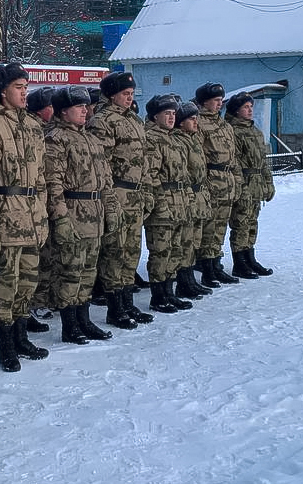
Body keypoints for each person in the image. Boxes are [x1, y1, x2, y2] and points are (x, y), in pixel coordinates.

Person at [0, 62, 50, 372]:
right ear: (2, 92)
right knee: (7, 284)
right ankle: (6, 345)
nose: (25, 92)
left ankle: (20, 336)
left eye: (26, 87)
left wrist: (41, 215)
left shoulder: (32, 126)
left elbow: (40, 178)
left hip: (31, 218)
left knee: (28, 282)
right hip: (6, 218)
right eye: (19, 87)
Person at [43, 86, 117, 344]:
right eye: (79, 107)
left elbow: (105, 180)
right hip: (73, 211)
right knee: (70, 272)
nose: (86, 111)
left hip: (94, 213)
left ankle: (84, 320)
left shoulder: (91, 139)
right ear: (64, 111)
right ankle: (70, 325)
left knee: (88, 271)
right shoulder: (56, 139)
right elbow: (52, 183)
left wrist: (111, 208)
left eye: (86, 106)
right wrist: (61, 218)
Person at [87, 71, 154, 329]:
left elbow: (144, 160)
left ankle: (127, 302)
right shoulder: (102, 121)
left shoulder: (134, 120)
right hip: (117, 193)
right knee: (114, 252)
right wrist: (109, 199)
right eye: (125, 94)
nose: (129, 98)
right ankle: (115, 308)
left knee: (131, 251)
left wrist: (147, 190)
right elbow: (101, 165)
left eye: (131, 94)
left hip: (136, 194)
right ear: (112, 95)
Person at [143, 94, 193, 313]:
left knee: (175, 250)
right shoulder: (152, 139)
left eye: (174, 113)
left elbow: (185, 174)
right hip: (163, 203)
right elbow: (151, 175)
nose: (172, 117)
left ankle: (169, 292)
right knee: (161, 252)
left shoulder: (175, 139)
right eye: (167, 113)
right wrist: (160, 204)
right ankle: (158, 296)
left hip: (179, 202)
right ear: (156, 116)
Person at [192, 82, 240, 287]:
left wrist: (237, 180)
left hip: (227, 181)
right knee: (209, 227)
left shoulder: (225, 125)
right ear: (205, 102)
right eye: (216, 100)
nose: (220, 104)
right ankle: (207, 268)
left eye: (221, 100)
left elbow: (233, 156)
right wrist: (203, 184)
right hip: (212, 180)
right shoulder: (199, 123)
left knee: (220, 227)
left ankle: (216, 263)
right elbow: (197, 157)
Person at [225, 92, 276, 279]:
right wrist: (241, 186)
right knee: (240, 223)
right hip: (244, 182)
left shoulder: (255, 132)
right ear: (236, 110)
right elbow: (235, 162)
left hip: (256, 183)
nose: (250, 110)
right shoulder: (233, 131)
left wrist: (268, 183)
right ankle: (239, 262)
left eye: (251, 107)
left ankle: (250, 258)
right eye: (245, 107)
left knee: (252, 222)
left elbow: (263, 162)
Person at [173, 101, 215, 300]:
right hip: (187, 195)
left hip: (199, 195)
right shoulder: (178, 141)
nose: (196, 122)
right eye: (191, 119)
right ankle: (183, 281)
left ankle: (189, 279)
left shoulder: (193, 140)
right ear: (181, 122)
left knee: (194, 240)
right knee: (185, 240)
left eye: (196, 118)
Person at [25, 85, 57, 333]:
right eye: (50, 106)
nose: (53, 110)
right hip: (32, 203)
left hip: (44, 199)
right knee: (39, 258)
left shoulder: (46, 129)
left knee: (48, 255)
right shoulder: (35, 130)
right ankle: (36, 302)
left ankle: (44, 298)